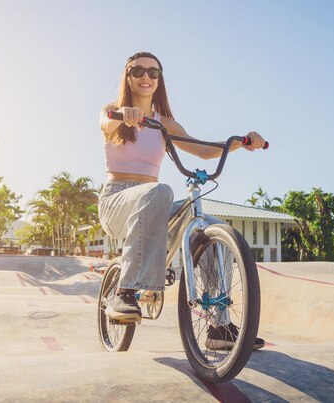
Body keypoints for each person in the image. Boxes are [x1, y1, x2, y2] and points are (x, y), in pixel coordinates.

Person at [99, 52, 266, 350]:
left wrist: (240, 143)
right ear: (128, 76)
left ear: (160, 79)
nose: (146, 77)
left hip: (153, 203)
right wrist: (124, 115)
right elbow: (106, 125)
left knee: (212, 225)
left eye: (153, 72)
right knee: (160, 191)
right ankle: (125, 293)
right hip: (117, 200)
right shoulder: (113, 111)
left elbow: (203, 150)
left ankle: (219, 326)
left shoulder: (165, 124)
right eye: (138, 71)